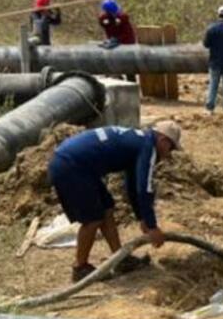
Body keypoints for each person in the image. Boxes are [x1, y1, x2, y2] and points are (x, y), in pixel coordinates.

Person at [47, 120, 182, 282]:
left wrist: (142, 217)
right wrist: (152, 226)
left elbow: (132, 184)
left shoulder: (139, 141)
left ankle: (120, 259)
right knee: (93, 218)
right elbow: (144, 189)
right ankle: (80, 267)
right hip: (72, 166)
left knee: (106, 209)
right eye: (171, 148)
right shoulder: (148, 147)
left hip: (76, 164)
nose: (169, 154)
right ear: (163, 140)